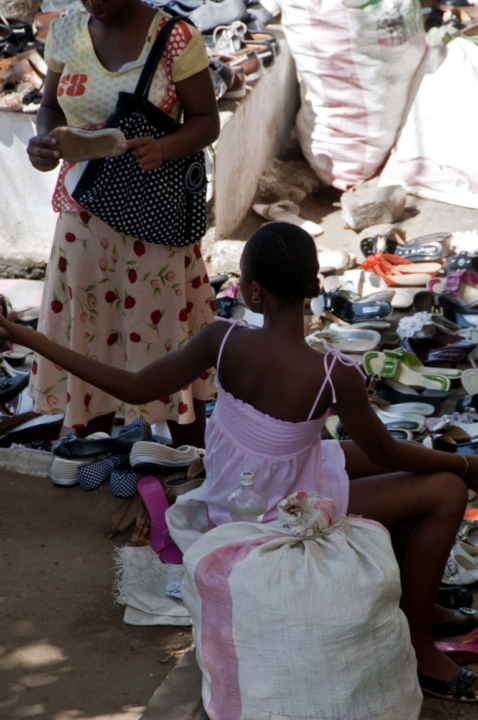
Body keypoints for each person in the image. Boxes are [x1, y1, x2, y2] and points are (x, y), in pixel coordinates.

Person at [1, 222, 478, 702]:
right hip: (277, 520)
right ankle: (419, 646)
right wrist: (462, 465)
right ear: (311, 287)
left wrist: (30, 337)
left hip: (235, 496)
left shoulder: (222, 340)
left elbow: (134, 386)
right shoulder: (334, 374)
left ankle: (417, 600)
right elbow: (386, 451)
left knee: (402, 466)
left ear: (253, 292)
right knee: (446, 489)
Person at [26, 0, 220, 445]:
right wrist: (45, 142)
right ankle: (94, 454)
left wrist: (166, 147)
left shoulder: (174, 38)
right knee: (90, 336)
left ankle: (191, 461)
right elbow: (50, 107)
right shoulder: (66, 33)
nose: (93, 2)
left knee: (163, 337)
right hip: (83, 216)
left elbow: (206, 121)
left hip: (154, 219)